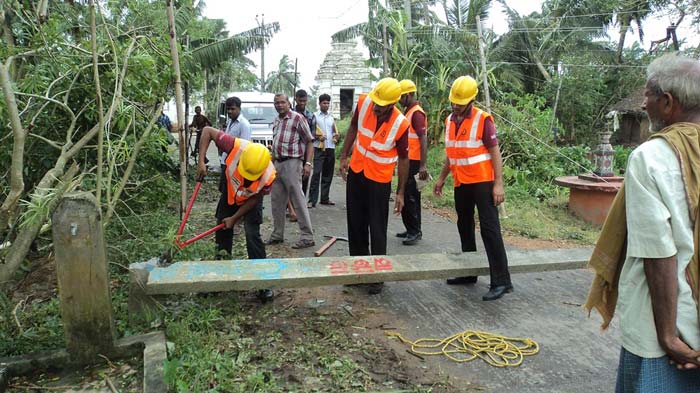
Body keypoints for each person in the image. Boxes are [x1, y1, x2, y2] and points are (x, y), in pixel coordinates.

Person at [584, 54, 700, 391]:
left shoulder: (650, 157)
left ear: (667, 102)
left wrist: (668, 334)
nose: (644, 102)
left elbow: (658, 253)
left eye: (648, 95)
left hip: (664, 323)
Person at [433, 76, 512, 301]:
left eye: (460, 102)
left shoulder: (483, 120)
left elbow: (495, 152)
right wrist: (441, 178)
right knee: (464, 226)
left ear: (471, 100)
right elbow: (453, 152)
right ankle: (469, 273)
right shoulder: (450, 120)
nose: (456, 106)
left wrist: (498, 184)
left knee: (490, 229)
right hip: (461, 182)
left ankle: (502, 281)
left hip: (483, 183)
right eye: (454, 102)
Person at [339, 78, 410, 294]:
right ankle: (358, 271)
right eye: (376, 103)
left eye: (381, 105)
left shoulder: (401, 123)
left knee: (377, 227)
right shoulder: (364, 102)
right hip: (357, 172)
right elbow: (353, 127)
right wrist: (343, 156)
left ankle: (377, 275)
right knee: (356, 223)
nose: (376, 107)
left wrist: (400, 191)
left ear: (392, 104)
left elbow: (404, 159)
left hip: (379, 179)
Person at [196, 126, 276, 302]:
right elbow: (207, 131)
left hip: (250, 200)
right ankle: (220, 279)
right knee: (222, 233)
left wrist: (235, 218)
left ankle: (263, 283)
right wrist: (201, 161)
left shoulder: (268, 175)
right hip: (230, 193)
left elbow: (254, 200)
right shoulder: (234, 145)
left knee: (252, 235)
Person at [266, 93, 315, 249]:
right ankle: (277, 235)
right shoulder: (276, 121)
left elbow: (309, 142)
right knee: (276, 200)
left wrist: (307, 163)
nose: (279, 105)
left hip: (293, 163)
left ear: (288, 103)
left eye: (282, 102)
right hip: (278, 163)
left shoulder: (297, 118)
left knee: (298, 200)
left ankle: (307, 236)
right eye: (276, 103)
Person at [396, 79, 429, 246]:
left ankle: (414, 231)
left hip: (414, 161)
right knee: (409, 195)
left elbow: (423, 138)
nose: (399, 100)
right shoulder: (409, 111)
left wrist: (423, 165)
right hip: (408, 160)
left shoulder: (416, 113)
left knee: (410, 196)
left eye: (402, 96)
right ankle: (410, 228)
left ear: (408, 95)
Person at [308, 93, 340, 207]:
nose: (326, 105)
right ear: (319, 103)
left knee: (328, 174)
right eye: (324, 103)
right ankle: (312, 200)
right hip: (319, 148)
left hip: (330, 147)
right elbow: (310, 132)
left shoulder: (331, 117)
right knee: (316, 173)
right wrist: (317, 137)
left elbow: (333, 131)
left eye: (328, 103)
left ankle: (325, 198)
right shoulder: (314, 116)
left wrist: (336, 135)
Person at [293, 89, 317, 197]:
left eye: (304, 101)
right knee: (291, 181)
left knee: (304, 179)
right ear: (295, 99)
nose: (302, 103)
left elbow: (311, 140)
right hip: (292, 153)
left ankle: (300, 205)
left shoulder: (311, 116)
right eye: (300, 100)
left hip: (305, 152)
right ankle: (289, 207)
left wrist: (308, 162)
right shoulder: (290, 114)